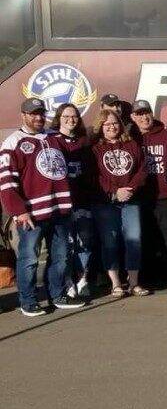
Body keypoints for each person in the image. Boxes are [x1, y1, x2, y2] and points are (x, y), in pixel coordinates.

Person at [2, 98, 87, 316]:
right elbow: (7, 182)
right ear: (23, 115)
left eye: (41, 113)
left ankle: (57, 295)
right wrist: (19, 210)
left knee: (61, 256)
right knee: (29, 259)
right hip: (32, 213)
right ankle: (28, 301)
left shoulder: (53, 138)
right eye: (33, 114)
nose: (38, 117)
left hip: (61, 208)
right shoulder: (13, 142)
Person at [88, 110, 149, 297]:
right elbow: (94, 176)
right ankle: (115, 283)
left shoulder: (131, 144)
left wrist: (130, 189)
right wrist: (115, 192)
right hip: (106, 204)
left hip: (131, 200)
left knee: (134, 241)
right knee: (110, 242)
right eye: (107, 124)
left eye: (114, 123)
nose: (112, 127)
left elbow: (142, 169)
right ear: (101, 127)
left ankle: (134, 283)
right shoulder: (95, 149)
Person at [133, 100, 167, 288]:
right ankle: (150, 278)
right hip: (140, 197)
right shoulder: (131, 137)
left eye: (146, 112)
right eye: (139, 114)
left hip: (166, 197)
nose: (144, 117)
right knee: (146, 239)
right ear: (133, 117)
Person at [53, 102, 93, 299]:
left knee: (85, 242)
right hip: (62, 204)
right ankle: (68, 282)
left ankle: (83, 279)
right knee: (66, 246)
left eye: (74, 116)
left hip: (83, 201)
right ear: (59, 118)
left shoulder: (85, 141)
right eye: (66, 116)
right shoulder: (52, 141)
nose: (71, 120)